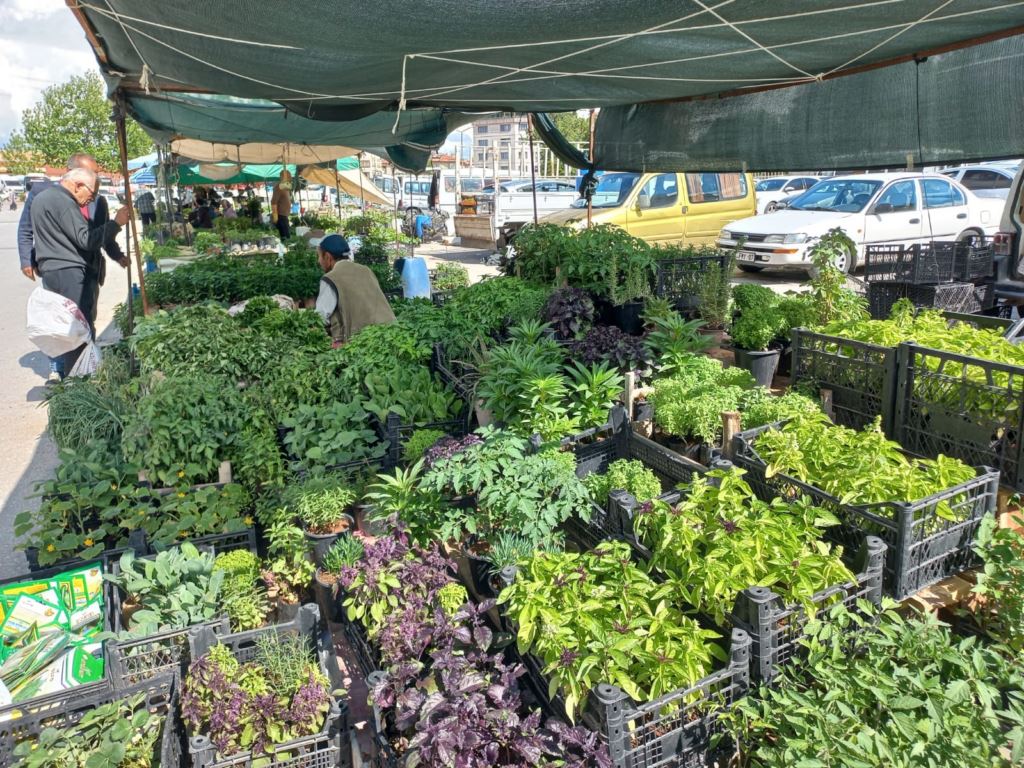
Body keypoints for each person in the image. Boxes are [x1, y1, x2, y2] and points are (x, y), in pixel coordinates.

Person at [18, 153, 129, 380]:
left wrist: (117, 255)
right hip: (71, 273)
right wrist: (116, 223)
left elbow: (100, 240)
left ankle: (74, 373)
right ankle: (78, 378)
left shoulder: (46, 198)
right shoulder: (64, 200)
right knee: (76, 328)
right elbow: (86, 239)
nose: (92, 198)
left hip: (59, 270)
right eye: (91, 190)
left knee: (66, 325)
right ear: (77, 181)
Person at [314, 234, 395, 345]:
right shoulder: (365, 270)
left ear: (327, 257)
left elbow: (320, 317)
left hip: (362, 341)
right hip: (391, 333)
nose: (318, 261)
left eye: (319, 256)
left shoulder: (331, 278)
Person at [270, 173, 292, 240]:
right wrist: (275, 217)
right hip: (280, 216)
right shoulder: (278, 188)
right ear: (282, 177)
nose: (289, 179)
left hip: (284, 216)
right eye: (288, 177)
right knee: (285, 238)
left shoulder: (285, 187)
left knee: (287, 237)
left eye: (289, 177)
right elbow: (273, 203)